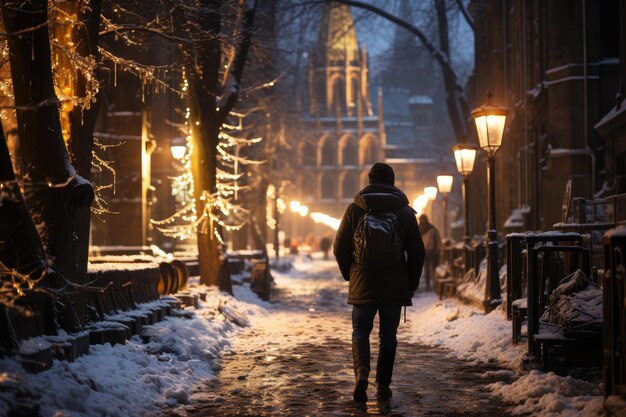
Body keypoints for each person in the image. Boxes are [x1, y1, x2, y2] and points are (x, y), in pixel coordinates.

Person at [333, 162, 425, 403]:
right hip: (394, 284)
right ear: (393, 182)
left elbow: (339, 247)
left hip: (362, 281)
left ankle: (361, 374)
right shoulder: (404, 212)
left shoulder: (355, 209)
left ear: (370, 181)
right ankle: (383, 385)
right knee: (388, 335)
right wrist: (411, 283)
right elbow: (417, 251)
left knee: (360, 331)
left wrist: (350, 274)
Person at [418, 214, 442, 290]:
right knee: (435, 267)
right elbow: (438, 240)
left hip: (424, 252)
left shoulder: (418, 229)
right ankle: (435, 283)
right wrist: (440, 249)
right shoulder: (433, 229)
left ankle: (428, 284)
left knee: (427, 268)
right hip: (433, 251)